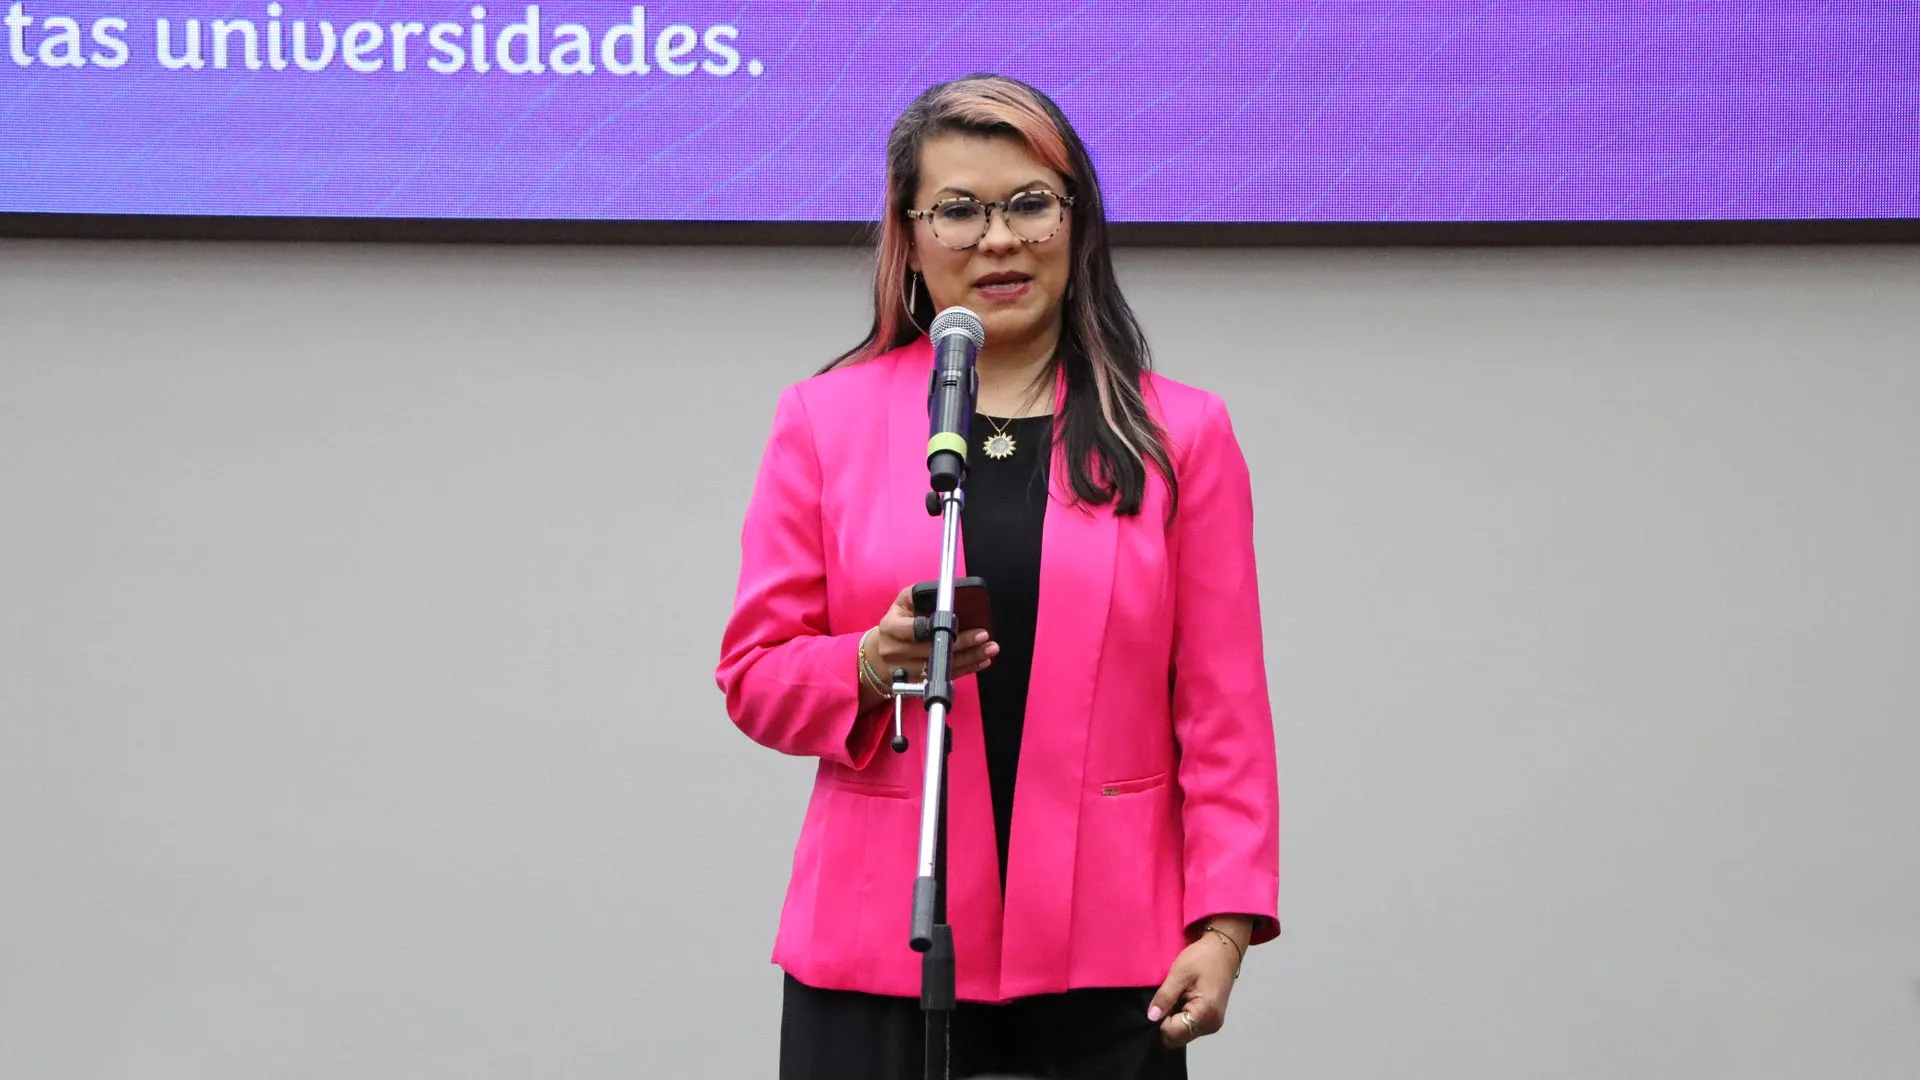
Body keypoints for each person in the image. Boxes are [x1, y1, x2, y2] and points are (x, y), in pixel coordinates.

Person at [715, 73, 1280, 1080]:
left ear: (1077, 220)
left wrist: (1224, 925)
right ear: (910, 233)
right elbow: (755, 674)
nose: (999, 239)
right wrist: (868, 662)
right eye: (960, 210)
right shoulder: (823, 421)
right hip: (881, 942)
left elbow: (1223, 707)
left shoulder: (1180, 434)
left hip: (1114, 955)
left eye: (1030, 203)